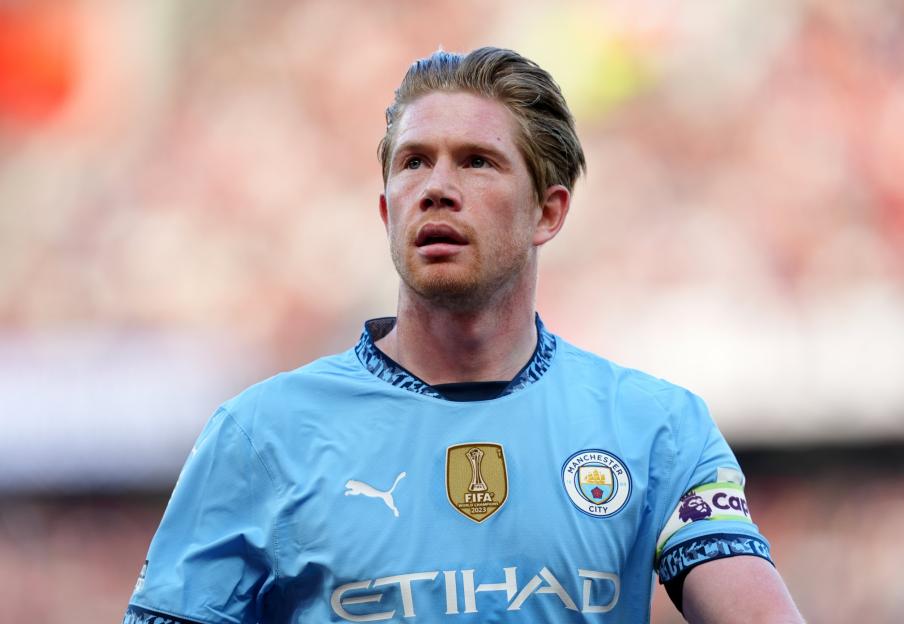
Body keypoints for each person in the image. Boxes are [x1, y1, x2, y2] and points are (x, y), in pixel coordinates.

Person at [123, 47, 803, 623]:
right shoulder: (258, 436)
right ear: (387, 209)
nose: (437, 188)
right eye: (415, 162)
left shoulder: (655, 428)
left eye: (477, 161)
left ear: (548, 210)